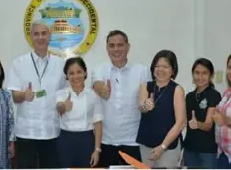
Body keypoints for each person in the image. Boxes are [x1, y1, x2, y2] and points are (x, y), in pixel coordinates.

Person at [6, 20, 67, 168]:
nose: (40, 37)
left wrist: (64, 105)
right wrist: (23, 95)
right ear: (31, 37)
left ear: (49, 36)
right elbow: (14, 97)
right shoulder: (18, 63)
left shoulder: (61, 64)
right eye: (36, 34)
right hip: (26, 132)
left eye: (44, 33)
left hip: (51, 131)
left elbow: (65, 94)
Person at [91, 30, 151, 167]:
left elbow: (145, 100)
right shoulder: (99, 69)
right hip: (106, 141)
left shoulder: (142, 71)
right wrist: (102, 89)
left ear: (128, 47)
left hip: (133, 140)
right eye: (111, 46)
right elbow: (96, 84)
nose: (116, 49)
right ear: (107, 48)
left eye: (120, 45)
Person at [136, 50, 186, 168]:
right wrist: (145, 106)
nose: (160, 70)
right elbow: (141, 107)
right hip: (146, 144)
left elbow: (181, 123)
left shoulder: (177, 90)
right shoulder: (145, 86)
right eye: (157, 66)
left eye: (165, 66)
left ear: (173, 70)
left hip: (168, 147)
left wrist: (163, 146)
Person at [55, 57, 103, 168]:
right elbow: (58, 108)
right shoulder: (61, 93)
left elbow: (98, 124)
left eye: (79, 72)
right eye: (71, 73)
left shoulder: (93, 95)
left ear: (85, 72)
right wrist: (64, 106)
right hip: (66, 140)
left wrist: (97, 150)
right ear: (66, 76)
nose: (75, 76)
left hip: (87, 140)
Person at [182, 58, 221, 168]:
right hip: (189, 148)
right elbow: (183, 120)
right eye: (197, 73)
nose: (200, 77)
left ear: (211, 75)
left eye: (204, 73)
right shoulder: (189, 96)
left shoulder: (214, 95)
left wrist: (198, 124)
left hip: (207, 150)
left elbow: (209, 125)